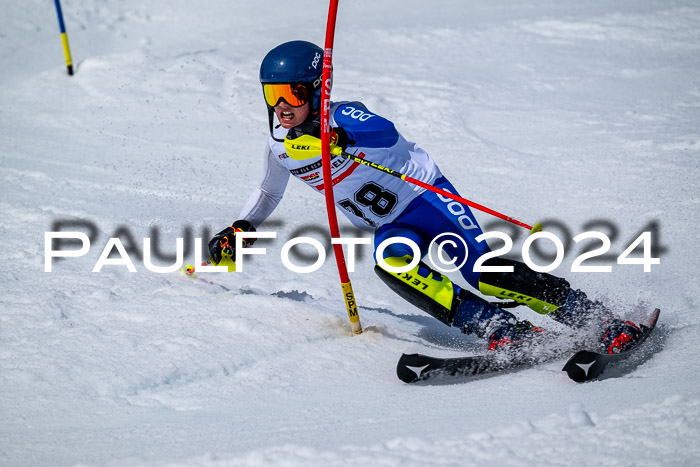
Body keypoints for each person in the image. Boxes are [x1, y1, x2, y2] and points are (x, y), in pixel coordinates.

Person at [209, 40, 641, 354]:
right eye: (272, 94)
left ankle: (596, 319)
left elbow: (386, 131)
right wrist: (241, 227)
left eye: (293, 94)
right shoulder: (279, 145)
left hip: (426, 199)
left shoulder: (343, 115)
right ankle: (497, 327)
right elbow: (268, 190)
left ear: (318, 89)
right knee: (393, 263)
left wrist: (339, 137)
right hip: (391, 224)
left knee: (483, 272)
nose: (282, 106)